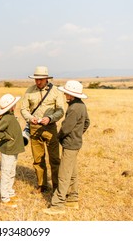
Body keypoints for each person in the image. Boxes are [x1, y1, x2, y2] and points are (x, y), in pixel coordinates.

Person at [42, 80, 90, 215]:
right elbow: (87, 122)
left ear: (72, 95)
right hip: (75, 144)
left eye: (67, 93)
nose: (65, 95)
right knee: (72, 173)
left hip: (69, 145)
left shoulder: (74, 108)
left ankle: (58, 205)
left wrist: (58, 137)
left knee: (63, 175)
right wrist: (78, 134)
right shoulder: (81, 105)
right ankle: (73, 200)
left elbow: (66, 128)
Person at [20, 66, 65, 194]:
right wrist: (30, 118)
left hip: (50, 128)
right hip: (34, 129)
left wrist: (50, 118)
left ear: (46, 79)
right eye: (36, 79)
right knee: (38, 159)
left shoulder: (55, 91)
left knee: (55, 159)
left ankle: (57, 186)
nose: (38, 82)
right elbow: (23, 109)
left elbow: (61, 110)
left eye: (41, 79)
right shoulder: (29, 91)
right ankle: (42, 185)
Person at [0, 94, 25, 208]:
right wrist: (7, 137)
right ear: (12, 107)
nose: (15, 105)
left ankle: (10, 193)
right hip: (8, 149)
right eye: (14, 104)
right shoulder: (7, 118)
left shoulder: (10, 116)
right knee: (6, 173)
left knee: (11, 172)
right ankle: (5, 198)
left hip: (13, 149)